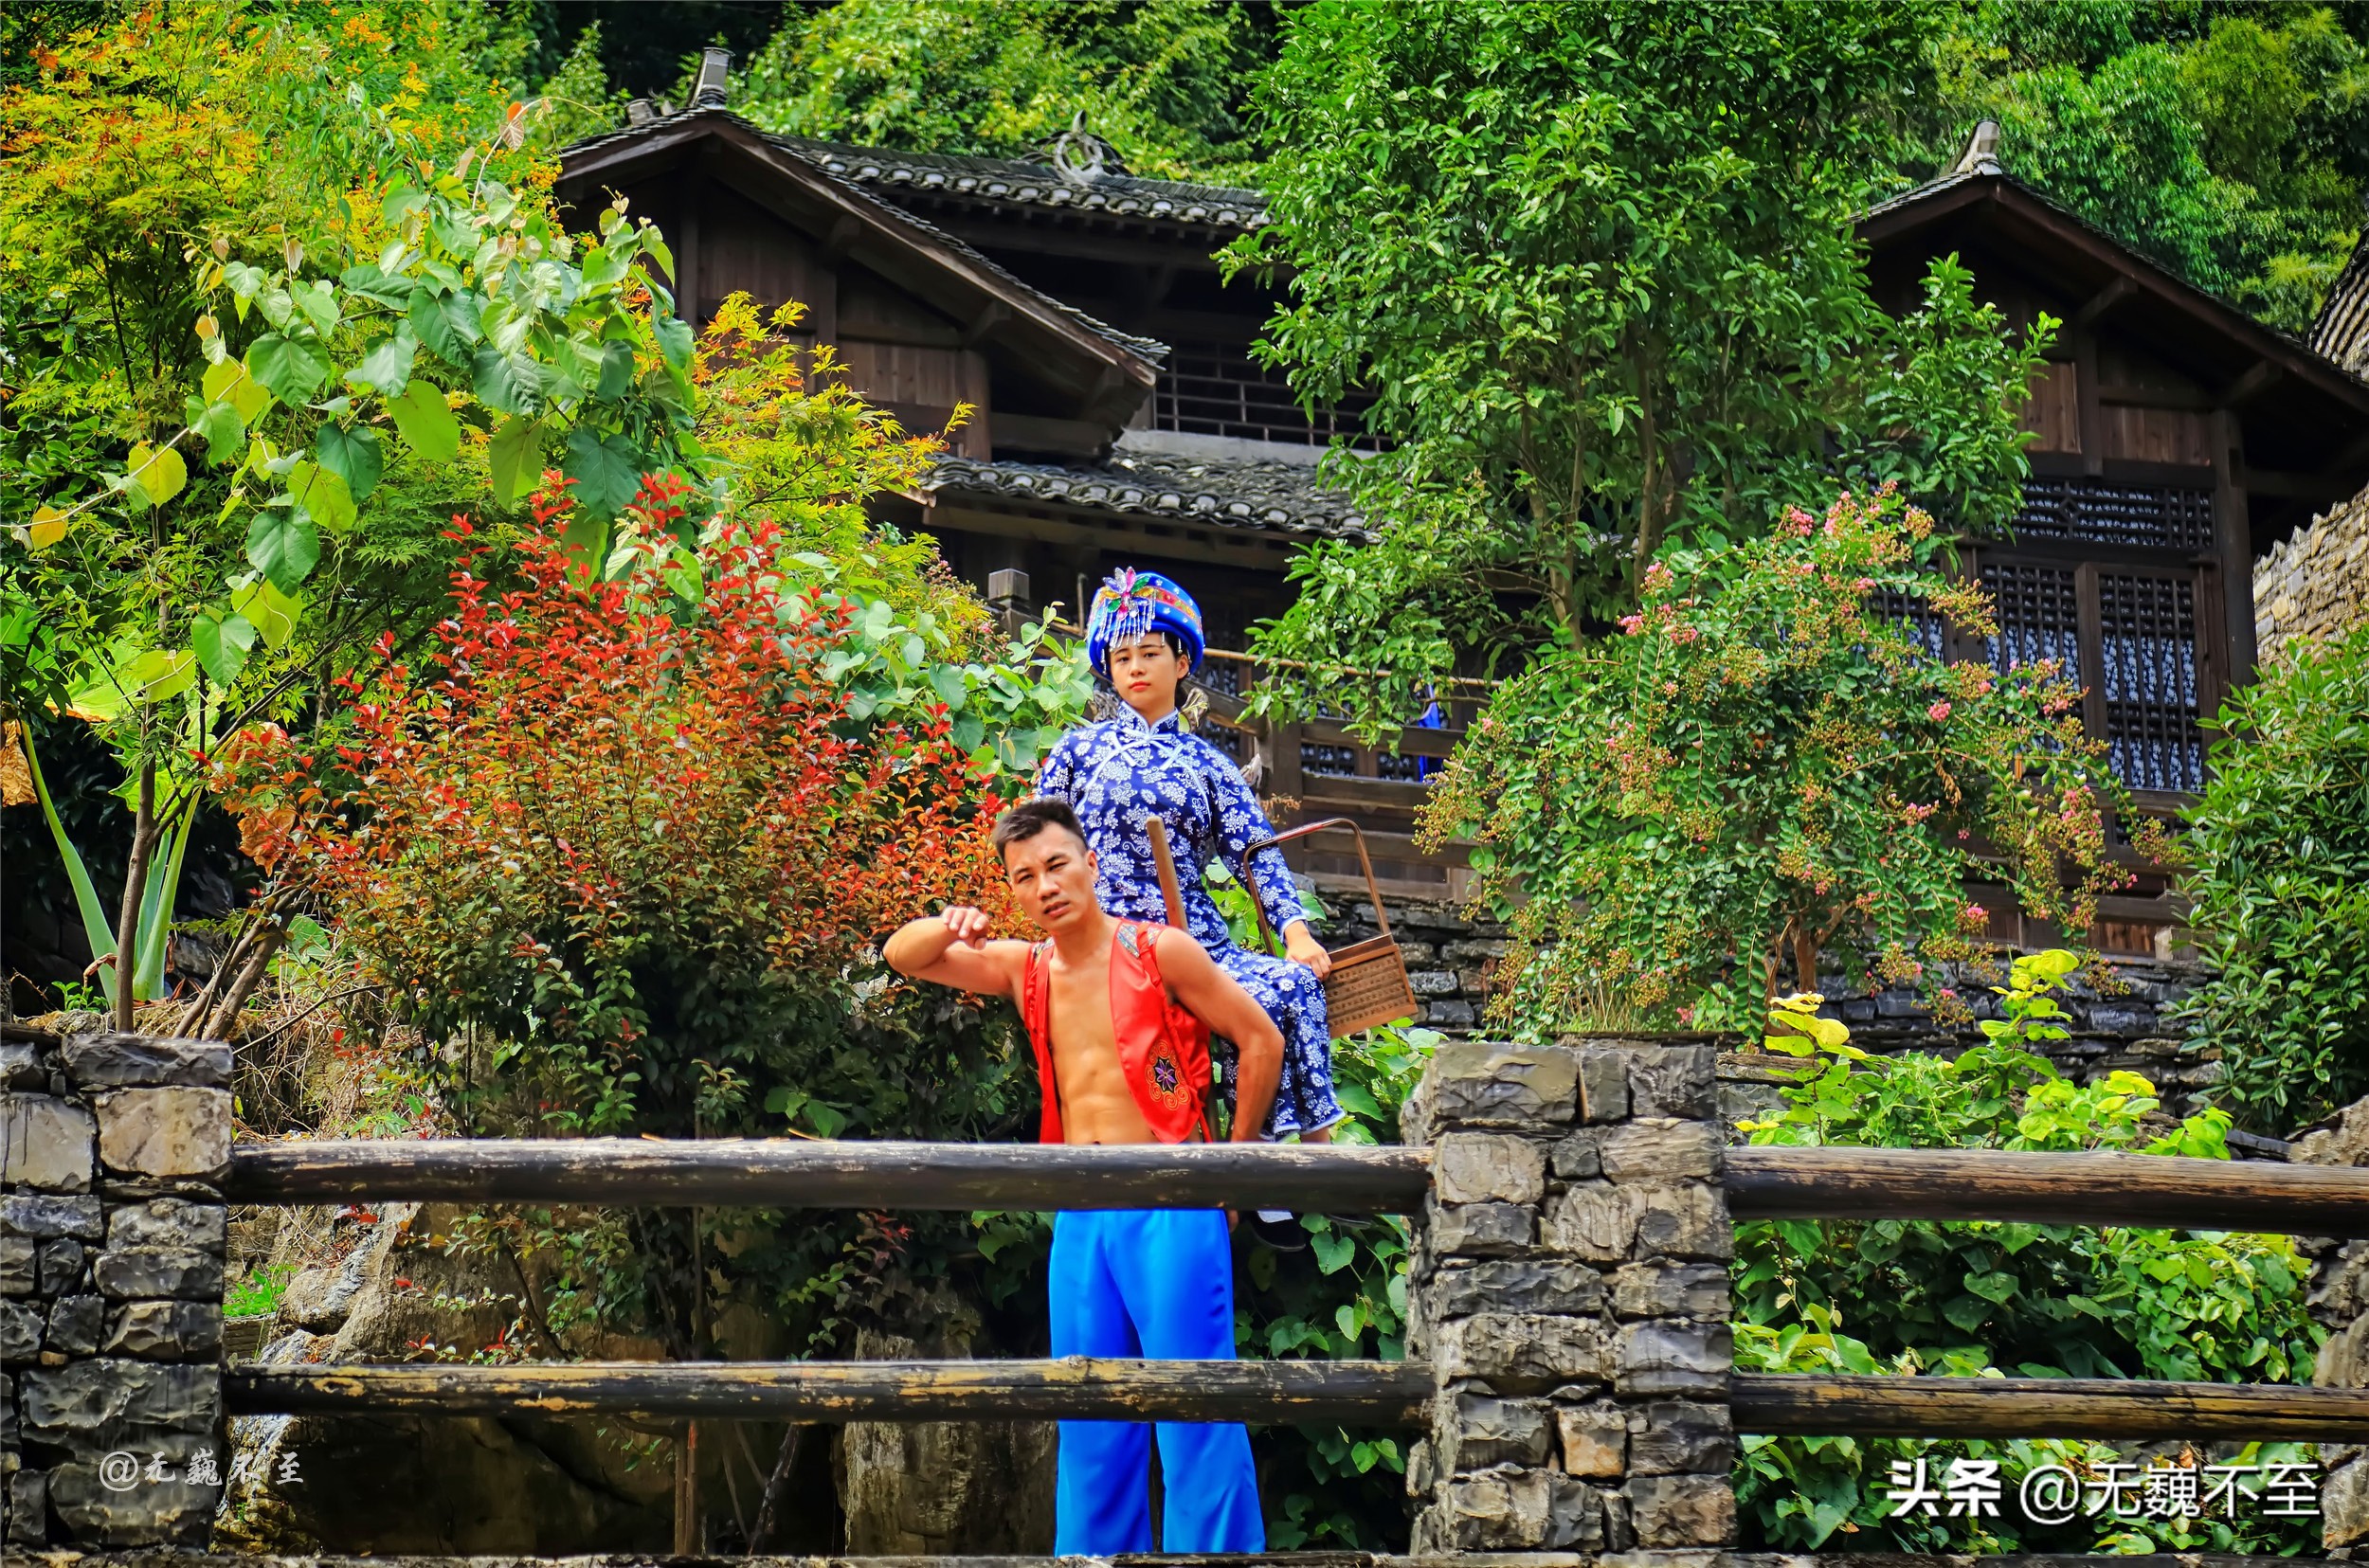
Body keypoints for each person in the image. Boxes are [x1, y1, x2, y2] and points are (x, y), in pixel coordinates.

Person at [883, 797, 1278, 1556]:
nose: (1045, 886)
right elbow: (907, 955)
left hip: (1171, 1196)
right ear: (1014, 890)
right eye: (1025, 876)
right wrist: (950, 922)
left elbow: (1258, 1039)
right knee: (1089, 1415)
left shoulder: (1160, 950)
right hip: (1081, 1214)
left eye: (1058, 865)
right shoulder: (1025, 968)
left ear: (1091, 863)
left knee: (1194, 1414)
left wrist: (1230, 1171)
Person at [1036, 568, 1344, 1153]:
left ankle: (1303, 1162)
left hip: (1197, 946)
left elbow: (1258, 856)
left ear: (1181, 664)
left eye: (1150, 652)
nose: (1135, 667)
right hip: (1110, 939)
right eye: (1122, 655)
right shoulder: (1078, 752)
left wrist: (1297, 934)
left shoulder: (1211, 765)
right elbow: (1038, 846)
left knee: (1290, 987)